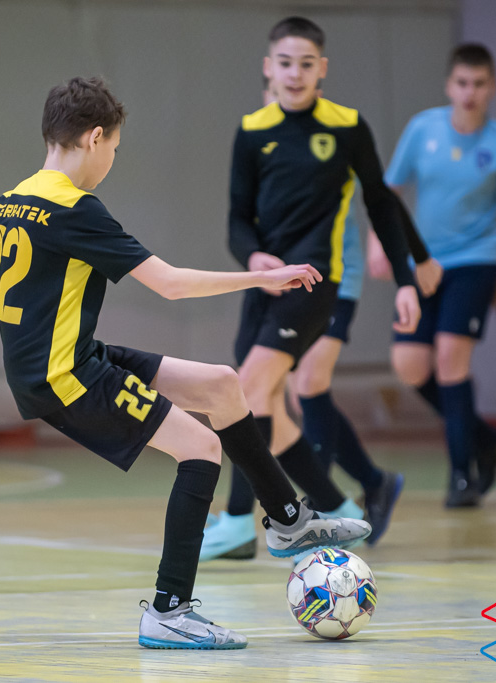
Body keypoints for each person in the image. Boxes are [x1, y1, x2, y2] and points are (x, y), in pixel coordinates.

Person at [0, 76, 371, 650]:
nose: (112, 159)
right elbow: (170, 284)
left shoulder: (13, 200)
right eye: (113, 147)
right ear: (94, 139)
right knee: (200, 448)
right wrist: (263, 278)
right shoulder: (76, 210)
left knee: (221, 385)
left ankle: (288, 521)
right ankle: (169, 611)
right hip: (65, 377)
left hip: (68, 358)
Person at [201, 16, 440, 560]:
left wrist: (407, 279)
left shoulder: (348, 127)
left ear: (322, 69)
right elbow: (237, 219)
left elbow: (382, 204)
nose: (295, 73)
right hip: (262, 285)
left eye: (306, 64)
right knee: (271, 412)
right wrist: (251, 257)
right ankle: (339, 506)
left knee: (246, 391)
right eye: (285, 63)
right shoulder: (253, 130)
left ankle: (238, 520)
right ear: (269, 68)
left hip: (314, 284)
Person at [372, 43, 496, 507]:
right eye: (462, 83)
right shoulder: (422, 129)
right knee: (409, 365)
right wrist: (379, 244)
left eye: (479, 84)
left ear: (492, 87)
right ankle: (487, 439)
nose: (469, 93)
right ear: (449, 85)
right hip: (424, 263)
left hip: (476, 261)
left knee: (449, 360)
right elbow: (387, 191)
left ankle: (462, 477)